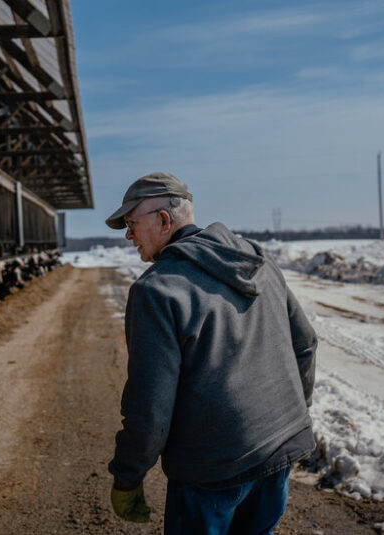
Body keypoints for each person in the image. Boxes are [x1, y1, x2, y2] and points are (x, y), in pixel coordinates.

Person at [105, 172, 318, 534]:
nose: (128, 235)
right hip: (280, 450)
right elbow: (305, 344)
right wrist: (285, 419)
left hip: (213, 470)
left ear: (162, 220)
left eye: (130, 223)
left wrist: (128, 475)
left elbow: (150, 407)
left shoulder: (157, 290)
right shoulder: (257, 260)